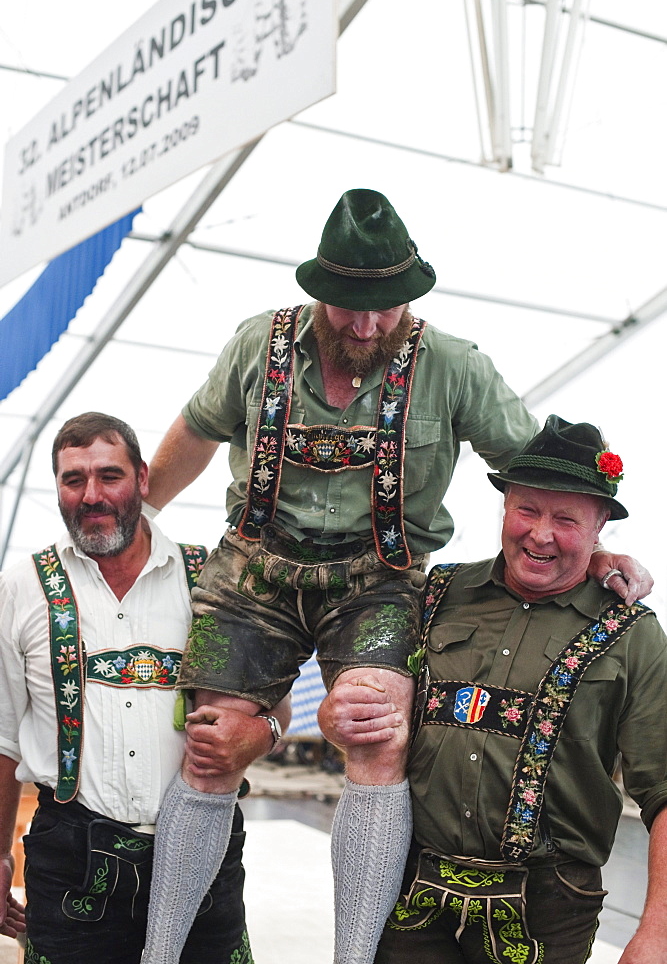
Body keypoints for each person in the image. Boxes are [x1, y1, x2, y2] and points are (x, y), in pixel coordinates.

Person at [141, 189, 650, 964]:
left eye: (387, 308)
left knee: (375, 732)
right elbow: (198, 430)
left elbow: (533, 470)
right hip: (254, 570)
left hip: (379, 580)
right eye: (350, 307)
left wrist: (595, 546)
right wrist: (136, 518)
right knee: (208, 743)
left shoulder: (454, 366)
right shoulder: (255, 345)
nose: (367, 326)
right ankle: (158, 956)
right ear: (319, 290)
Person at [324, 415, 667, 964]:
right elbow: (361, 702)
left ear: (601, 523)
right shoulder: (433, 592)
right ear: (505, 504)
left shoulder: (632, 632)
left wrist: (657, 934)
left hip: (546, 908)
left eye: (567, 519)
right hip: (414, 893)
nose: (540, 533)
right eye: (527, 509)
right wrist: (334, 718)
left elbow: (664, 791)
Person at [0, 412, 288, 964]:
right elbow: (4, 739)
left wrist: (261, 733)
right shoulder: (22, 587)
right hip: (71, 865)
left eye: (109, 476)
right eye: (72, 479)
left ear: (143, 481)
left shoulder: (213, 580)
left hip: (204, 854)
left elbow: (275, 707)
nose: (91, 495)